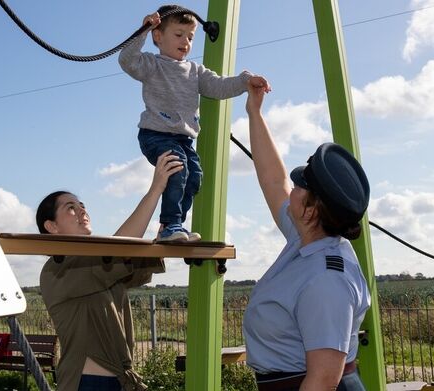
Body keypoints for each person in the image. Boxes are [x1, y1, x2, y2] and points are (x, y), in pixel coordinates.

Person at [241, 84, 371, 391]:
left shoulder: (326, 279)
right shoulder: (307, 241)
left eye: (300, 187)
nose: (292, 190)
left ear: (311, 212)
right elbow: (274, 180)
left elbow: (324, 380)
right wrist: (254, 112)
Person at [119, 5, 271, 242]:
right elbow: (127, 60)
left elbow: (219, 86)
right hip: (156, 134)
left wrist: (246, 81)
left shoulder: (194, 71)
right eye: (178, 35)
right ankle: (170, 224)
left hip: (183, 138)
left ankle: (173, 225)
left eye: (190, 37)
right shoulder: (151, 64)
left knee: (194, 176)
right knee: (177, 168)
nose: (186, 42)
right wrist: (142, 30)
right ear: (158, 36)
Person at [36, 151, 183, 391]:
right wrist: (156, 190)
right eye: (70, 208)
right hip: (87, 383)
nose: (82, 210)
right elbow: (120, 250)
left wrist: (165, 238)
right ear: (52, 226)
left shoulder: (96, 265)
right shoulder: (57, 270)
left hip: (118, 381)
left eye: (82, 205)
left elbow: (131, 263)